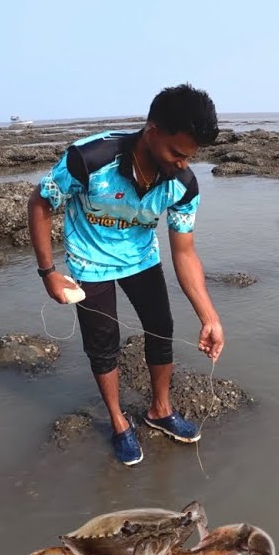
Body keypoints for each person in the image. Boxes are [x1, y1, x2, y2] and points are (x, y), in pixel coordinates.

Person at [26, 84, 224, 466]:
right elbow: (40, 202)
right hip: (89, 261)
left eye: (189, 156)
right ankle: (119, 424)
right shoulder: (89, 158)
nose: (182, 163)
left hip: (141, 258)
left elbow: (184, 252)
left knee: (160, 327)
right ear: (152, 132)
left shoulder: (182, 185)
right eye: (176, 153)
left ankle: (160, 411)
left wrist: (209, 316)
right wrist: (48, 272)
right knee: (103, 342)